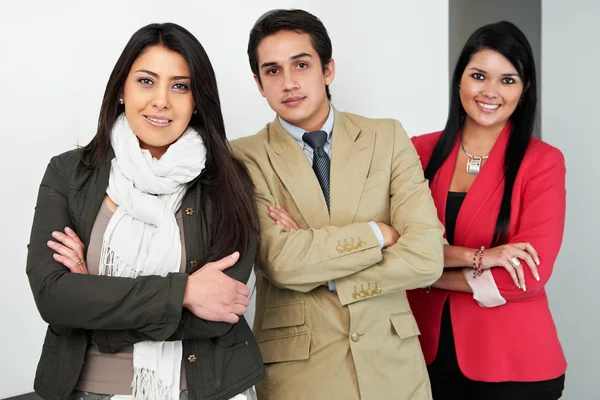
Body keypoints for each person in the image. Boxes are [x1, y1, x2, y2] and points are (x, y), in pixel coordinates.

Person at [26, 23, 264, 400]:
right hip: (88, 391)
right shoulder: (69, 173)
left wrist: (94, 304)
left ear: (197, 99)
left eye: (180, 86)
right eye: (146, 81)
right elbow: (53, 297)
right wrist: (184, 291)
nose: (161, 101)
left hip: (205, 390)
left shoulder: (229, 181)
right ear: (122, 88)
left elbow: (223, 306)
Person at [231, 9, 444, 400]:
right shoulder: (242, 157)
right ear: (259, 84)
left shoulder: (388, 137)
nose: (289, 82)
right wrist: (378, 233)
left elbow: (428, 257)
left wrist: (320, 264)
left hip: (394, 370)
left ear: (328, 69)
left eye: (301, 64)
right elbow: (281, 262)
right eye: (273, 70)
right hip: (301, 376)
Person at [407, 21, 567, 400]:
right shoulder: (416, 152)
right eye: (479, 75)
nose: (490, 92)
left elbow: (527, 275)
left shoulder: (542, 162)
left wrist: (424, 274)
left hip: (515, 366)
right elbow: (390, 249)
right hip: (419, 359)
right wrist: (483, 259)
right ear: (460, 79)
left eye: (507, 80)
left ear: (525, 89)